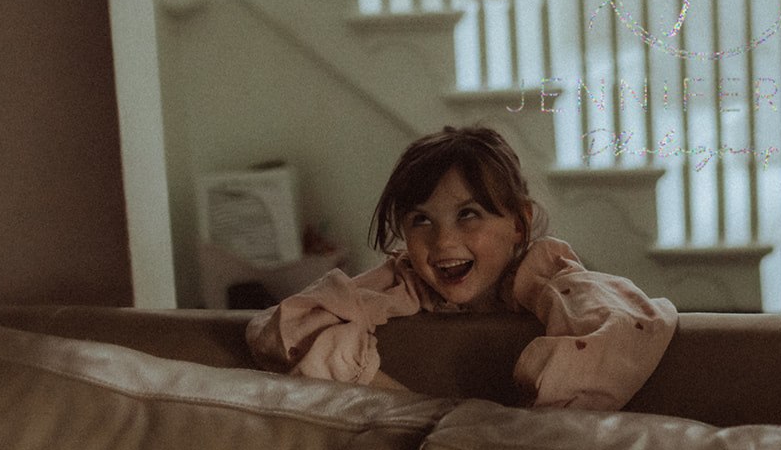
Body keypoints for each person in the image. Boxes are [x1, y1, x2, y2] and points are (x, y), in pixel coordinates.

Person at [245, 124, 677, 409]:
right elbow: (291, 327)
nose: (442, 242)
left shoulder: (551, 276)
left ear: (519, 224)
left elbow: (625, 325)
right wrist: (418, 408)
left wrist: (511, 425)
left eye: (468, 214)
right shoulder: (405, 282)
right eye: (421, 221)